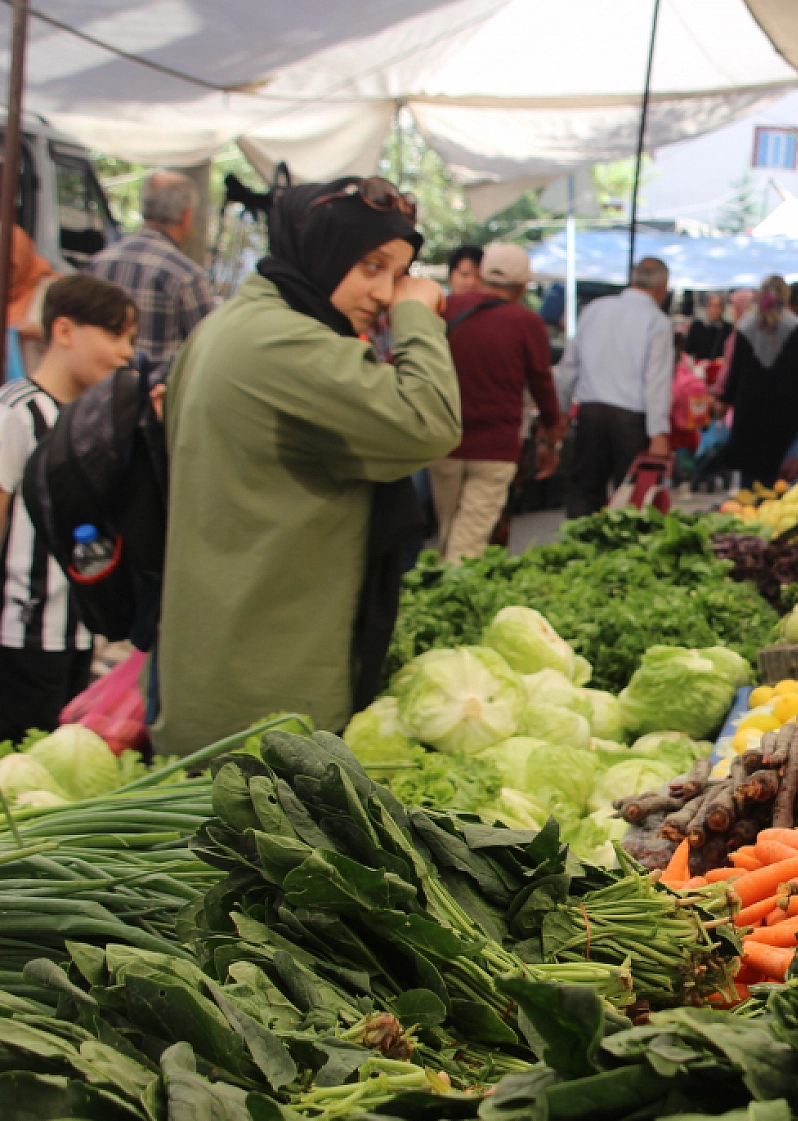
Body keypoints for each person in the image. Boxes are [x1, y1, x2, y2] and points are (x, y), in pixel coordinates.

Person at [151, 176, 461, 754]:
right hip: (261, 691)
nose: (387, 292)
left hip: (226, 668)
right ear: (319, 250)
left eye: (397, 275)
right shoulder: (281, 343)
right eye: (371, 267)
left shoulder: (231, 326)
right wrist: (418, 317)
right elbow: (429, 423)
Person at [0, 276, 136, 742]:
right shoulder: (17, 414)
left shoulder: (94, 424)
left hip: (78, 635)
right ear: (64, 331)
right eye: (114, 335)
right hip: (20, 636)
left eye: (130, 340)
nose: (125, 352)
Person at [432, 242, 562, 563]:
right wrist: (552, 433)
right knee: (470, 536)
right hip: (496, 447)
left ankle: (435, 593)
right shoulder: (525, 322)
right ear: (521, 287)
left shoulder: (444, 308)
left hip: (442, 441)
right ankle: (450, 600)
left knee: (450, 530)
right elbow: (542, 384)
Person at [556, 257, 673, 517]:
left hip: (591, 413)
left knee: (584, 491)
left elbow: (569, 368)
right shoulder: (658, 322)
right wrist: (658, 433)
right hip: (630, 420)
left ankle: (578, 550)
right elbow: (656, 382)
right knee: (631, 498)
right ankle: (623, 555)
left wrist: (561, 411)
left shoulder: (594, 309)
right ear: (662, 287)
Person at [86, 170, 215, 377]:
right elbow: (208, 348)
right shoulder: (187, 276)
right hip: (156, 396)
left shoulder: (99, 262)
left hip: (99, 390)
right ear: (186, 216)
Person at [720, 276, 798, 486]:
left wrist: (726, 400)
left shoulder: (746, 325)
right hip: (783, 408)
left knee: (749, 472)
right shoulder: (794, 326)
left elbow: (736, 369)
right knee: (777, 470)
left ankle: (747, 509)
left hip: (750, 408)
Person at [4, 225, 57, 377]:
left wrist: (40, 332)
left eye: (11, 266)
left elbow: (77, 339)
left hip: (35, 387)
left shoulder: (51, 290)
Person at [685, 292, 730, 362]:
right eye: (712, 305)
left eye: (718, 306)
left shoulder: (728, 328)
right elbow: (688, 351)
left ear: (723, 308)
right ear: (707, 307)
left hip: (719, 368)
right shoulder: (697, 326)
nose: (715, 309)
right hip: (698, 368)